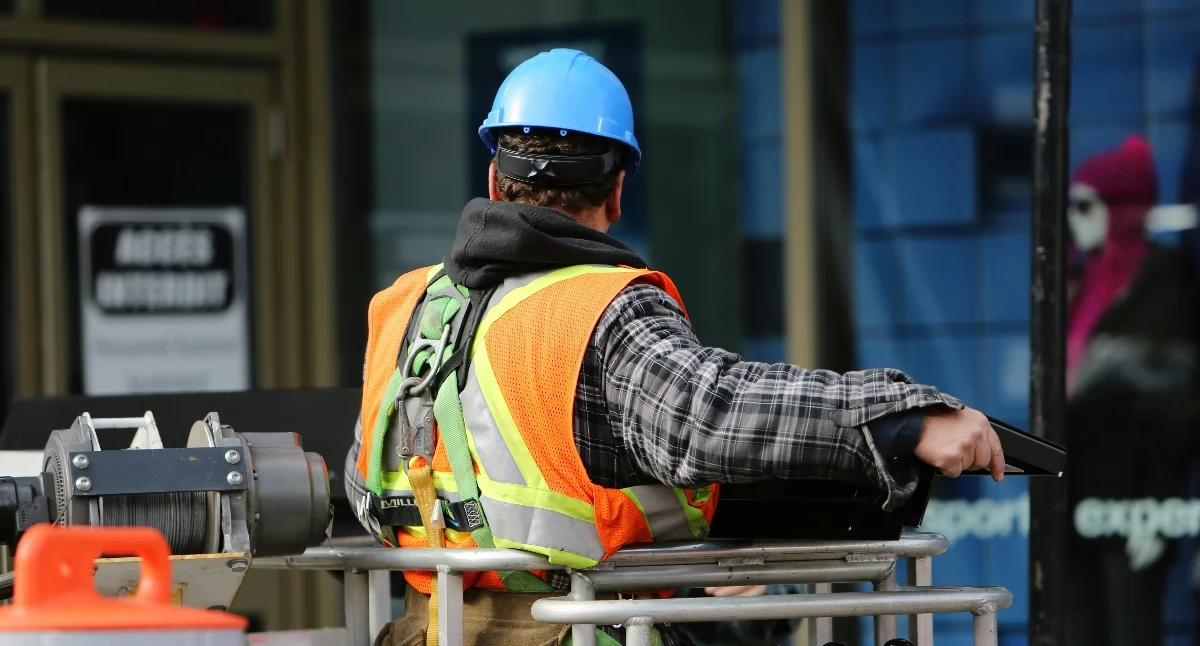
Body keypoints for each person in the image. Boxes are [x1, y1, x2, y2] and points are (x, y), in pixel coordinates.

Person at [344, 48, 1005, 646]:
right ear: (620, 189)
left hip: (433, 630)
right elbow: (706, 417)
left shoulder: (404, 308)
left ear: (494, 180)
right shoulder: (599, 308)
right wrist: (902, 417)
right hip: (574, 632)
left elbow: (364, 483)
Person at [1063, 136, 1200, 646]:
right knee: (1075, 630)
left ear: (1120, 210)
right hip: (1074, 496)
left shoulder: (1165, 281)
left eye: (1084, 205)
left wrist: (1157, 507)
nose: (1075, 219)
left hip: (1133, 499)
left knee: (1130, 631)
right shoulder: (1077, 283)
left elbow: (1176, 406)